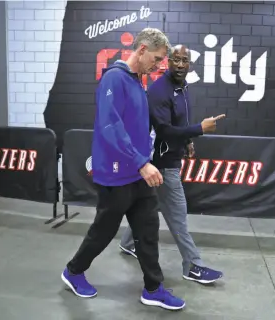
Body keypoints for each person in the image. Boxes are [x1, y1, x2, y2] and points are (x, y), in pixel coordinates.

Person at [61, 28, 186, 311]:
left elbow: (137, 125)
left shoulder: (137, 82)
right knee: (103, 232)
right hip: (117, 174)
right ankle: (73, 271)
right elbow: (110, 126)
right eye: (156, 59)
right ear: (141, 50)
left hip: (138, 172)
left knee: (148, 230)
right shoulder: (114, 79)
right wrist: (141, 162)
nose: (159, 66)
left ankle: (153, 288)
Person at [120, 44, 225, 284]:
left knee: (153, 204)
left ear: (190, 63)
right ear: (167, 61)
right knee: (177, 216)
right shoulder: (159, 91)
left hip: (167, 159)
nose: (179, 64)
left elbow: (180, 120)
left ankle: (127, 243)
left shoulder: (182, 86)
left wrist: (187, 140)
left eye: (184, 60)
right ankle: (193, 266)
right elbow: (165, 131)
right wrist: (199, 129)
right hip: (163, 165)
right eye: (175, 59)